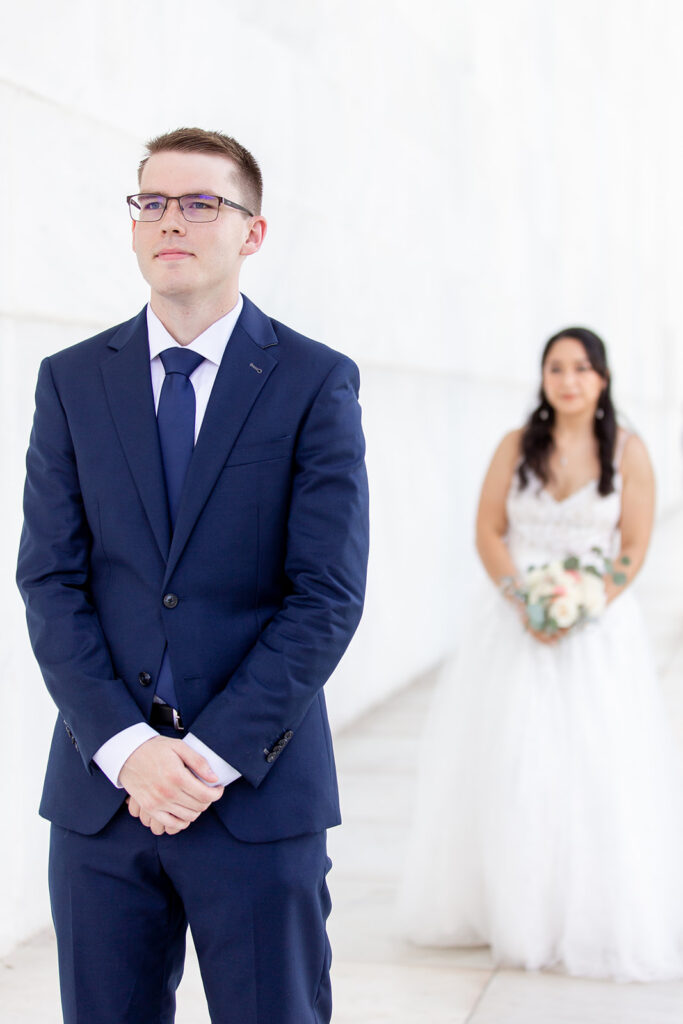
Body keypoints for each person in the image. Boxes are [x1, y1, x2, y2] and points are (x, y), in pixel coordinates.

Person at [16, 127, 369, 1024]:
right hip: (103, 799)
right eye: (152, 202)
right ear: (133, 226)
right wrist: (129, 752)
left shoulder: (313, 381)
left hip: (254, 792)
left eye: (201, 203)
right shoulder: (69, 382)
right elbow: (50, 581)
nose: (171, 220)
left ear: (251, 232)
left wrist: (203, 761)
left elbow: (324, 595)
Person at [397, 327, 683, 981]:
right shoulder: (513, 447)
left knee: (591, 765)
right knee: (509, 759)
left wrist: (585, 601)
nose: (568, 380)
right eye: (555, 368)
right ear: (542, 379)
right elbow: (486, 529)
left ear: (601, 379)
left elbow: (633, 547)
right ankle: (507, 907)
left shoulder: (629, 453)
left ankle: (581, 910)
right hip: (511, 623)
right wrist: (521, 597)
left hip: (596, 631)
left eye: (581, 368)